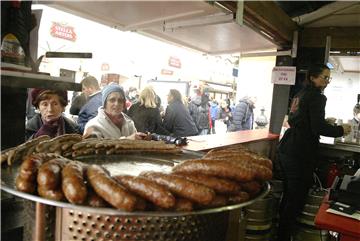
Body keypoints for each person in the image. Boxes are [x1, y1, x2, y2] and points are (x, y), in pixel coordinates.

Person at [276, 64, 352, 241]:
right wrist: (341, 130)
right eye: (324, 77)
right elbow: (317, 128)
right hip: (299, 152)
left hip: (286, 147)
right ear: (312, 77)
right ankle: (284, 236)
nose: (327, 82)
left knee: (288, 195)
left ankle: (281, 233)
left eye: (328, 78)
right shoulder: (318, 97)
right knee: (296, 199)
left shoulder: (300, 94)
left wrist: (325, 121)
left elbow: (301, 120)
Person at [83, 84, 147, 140]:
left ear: (123, 104)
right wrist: (127, 140)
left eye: (120, 100)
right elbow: (92, 150)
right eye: (112, 100)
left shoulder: (129, 123)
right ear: (105, 103)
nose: (116, 104)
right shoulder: (93, 126)